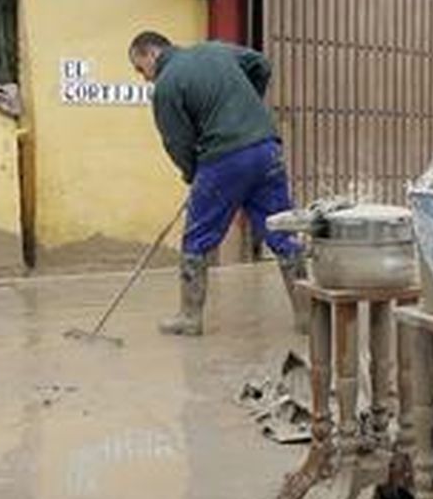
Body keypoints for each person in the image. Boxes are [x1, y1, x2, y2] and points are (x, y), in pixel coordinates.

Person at [128, 31, 304, 336]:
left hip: (224, 159)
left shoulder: (166, 86)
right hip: (266, 148)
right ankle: (306, 316)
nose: (143, 78)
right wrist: (248, 106)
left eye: (139, 68)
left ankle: (189, 317)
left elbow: (178, 142)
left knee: (197, 239)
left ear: (151, 54)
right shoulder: (216, 50)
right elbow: (260, 64)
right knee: (282, 231)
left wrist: (193, 174)